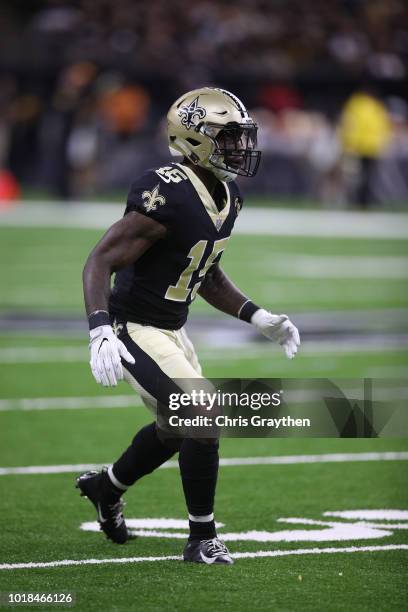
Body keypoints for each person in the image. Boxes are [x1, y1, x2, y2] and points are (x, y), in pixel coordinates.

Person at [76, 87, 300, 565]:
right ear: (194, 138)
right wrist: (99, 328)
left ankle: (105, 487)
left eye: (243, 137)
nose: (240, 147)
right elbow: (100, 261)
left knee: (176, 427)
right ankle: (202, 537)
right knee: (203, 415)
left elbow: (205, 272)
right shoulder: (167, 191)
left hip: (173, 329)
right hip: (133, 327)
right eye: (229, 137)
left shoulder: (228, 195)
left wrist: (256, 315)